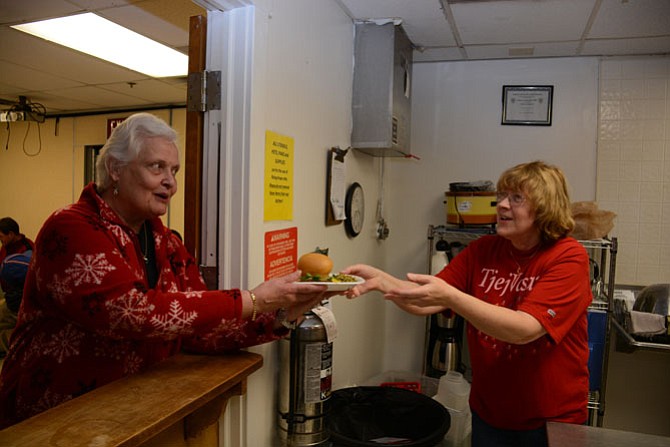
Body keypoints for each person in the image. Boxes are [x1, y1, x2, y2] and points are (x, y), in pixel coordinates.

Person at [0, 113, 330, 428]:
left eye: (174, 170)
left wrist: (282, 314)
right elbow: (131, 314)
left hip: (134, 412)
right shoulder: (72, 228)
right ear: (115, 168)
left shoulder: (165, 240)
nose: (170, 183)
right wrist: (252, 299)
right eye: (156, 167)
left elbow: (197, 330)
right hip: (56, 416)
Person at [343, 161, 591, 447]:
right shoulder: (483, 250)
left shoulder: (568, 257)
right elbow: (426, 301)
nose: (501, 205)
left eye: (516, 198)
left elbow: (525, 328)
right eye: (501, 196)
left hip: (552, 421)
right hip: (490, 415)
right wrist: (383, 281)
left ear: (546, 206)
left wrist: (451, 297)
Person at [0, 217, 34, 356]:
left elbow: (28, 279)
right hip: (10, 297)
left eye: (2, 237)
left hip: (20, 301)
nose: (1, 241)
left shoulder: (27, 251)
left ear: (11, 234)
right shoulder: (6, 248)